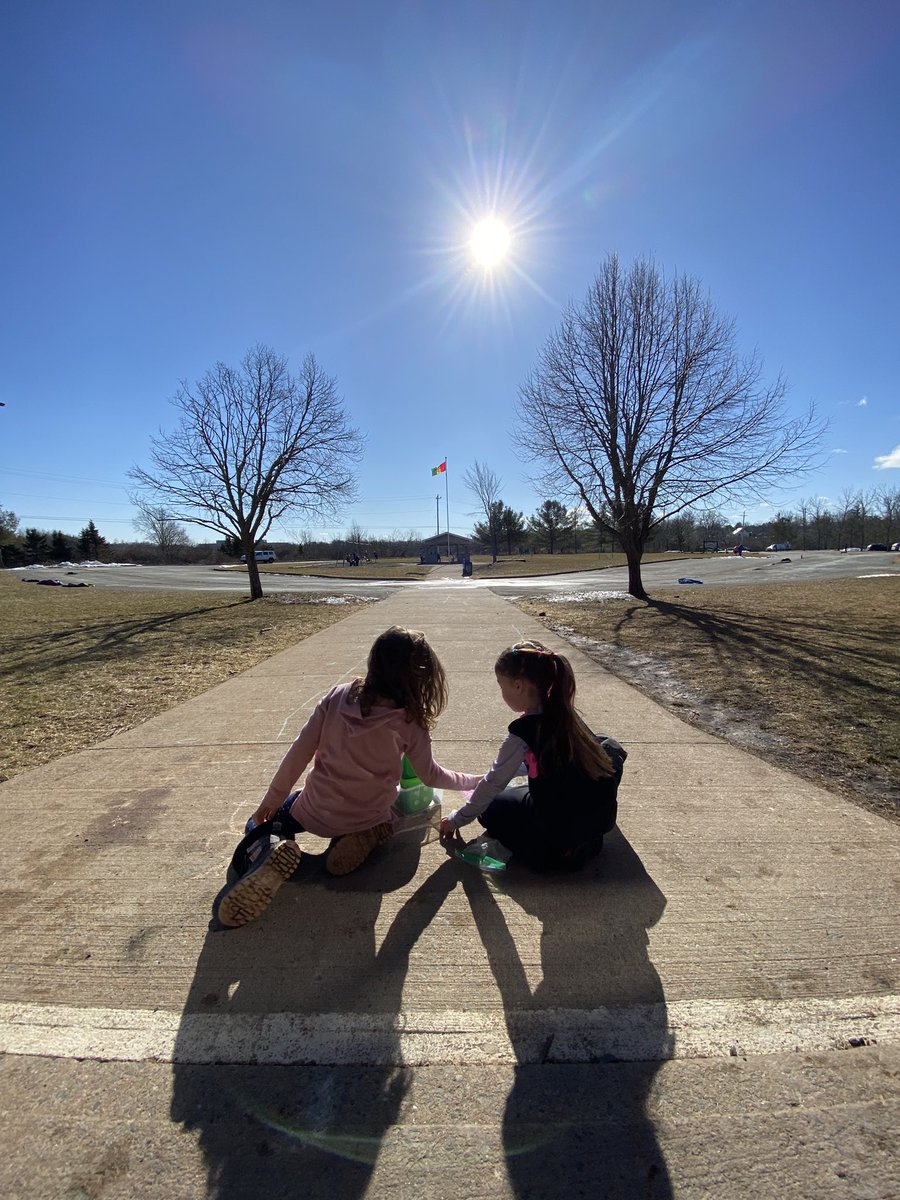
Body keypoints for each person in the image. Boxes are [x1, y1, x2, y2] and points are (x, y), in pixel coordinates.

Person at [218, 626, 483, 928]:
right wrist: (474, 781)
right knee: (389, 814)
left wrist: (272, 798)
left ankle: (269, 847)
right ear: (419, 678)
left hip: (313, 810)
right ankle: (361, 837)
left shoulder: (337, 696)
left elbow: (299, 752)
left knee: (257, 824)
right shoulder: (410, 723)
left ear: (374, 663)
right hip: (367, 814)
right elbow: (431, 775)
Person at [440, 640, 626, 872]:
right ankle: (582, 840)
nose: (501, 693)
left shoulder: (523, 731)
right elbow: (545, 763)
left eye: (501, 685)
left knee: (491, 808)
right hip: (598, 827)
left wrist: (456, 819)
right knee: (603, 744)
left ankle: (560, 847)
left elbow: (494, 783)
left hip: (554, 847)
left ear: (518, 686)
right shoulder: (563, 712)